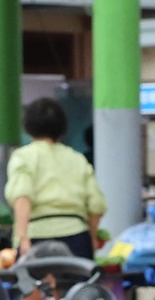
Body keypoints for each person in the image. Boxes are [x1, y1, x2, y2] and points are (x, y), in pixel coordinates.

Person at [5, 97, 103, 259]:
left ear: (28, 127)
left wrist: (22, 238)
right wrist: (91, 237)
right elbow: (96, 205)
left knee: (36, 285)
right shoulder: (77, 158)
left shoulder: (23, 157)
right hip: (77, 238)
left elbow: (22, 196)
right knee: (78, 285)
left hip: (37, 237)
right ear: (62, 129)